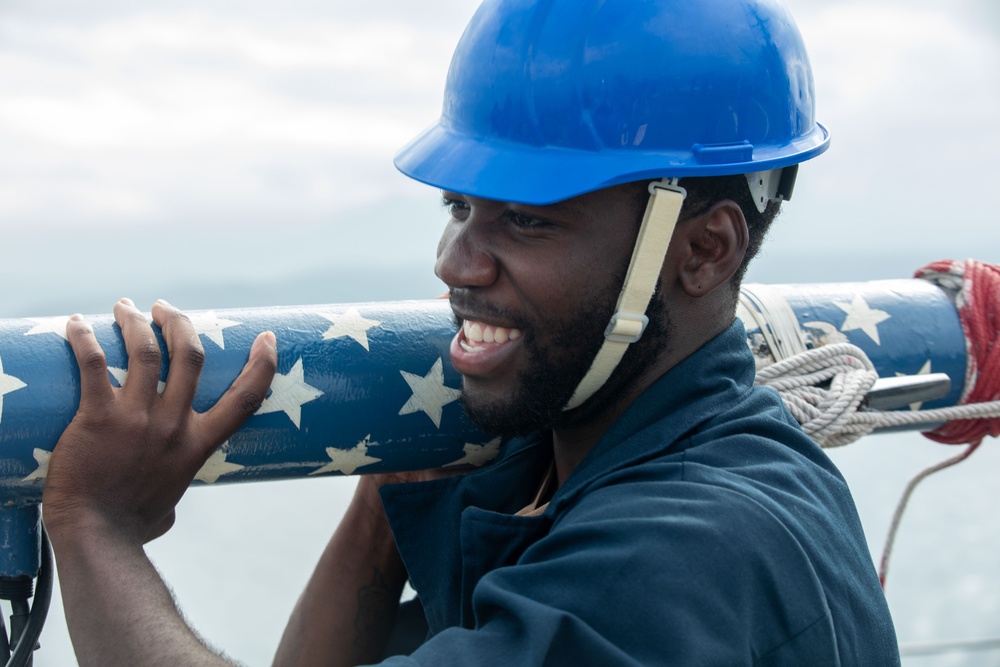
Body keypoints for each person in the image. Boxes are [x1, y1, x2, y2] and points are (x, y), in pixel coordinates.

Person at [41, 0, 900, 665]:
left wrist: (93, 522)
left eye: (527, 220)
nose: (457, 262)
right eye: (459, 206)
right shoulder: (586, 454)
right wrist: (387, 497)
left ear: (704, 248)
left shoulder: (677, 556)